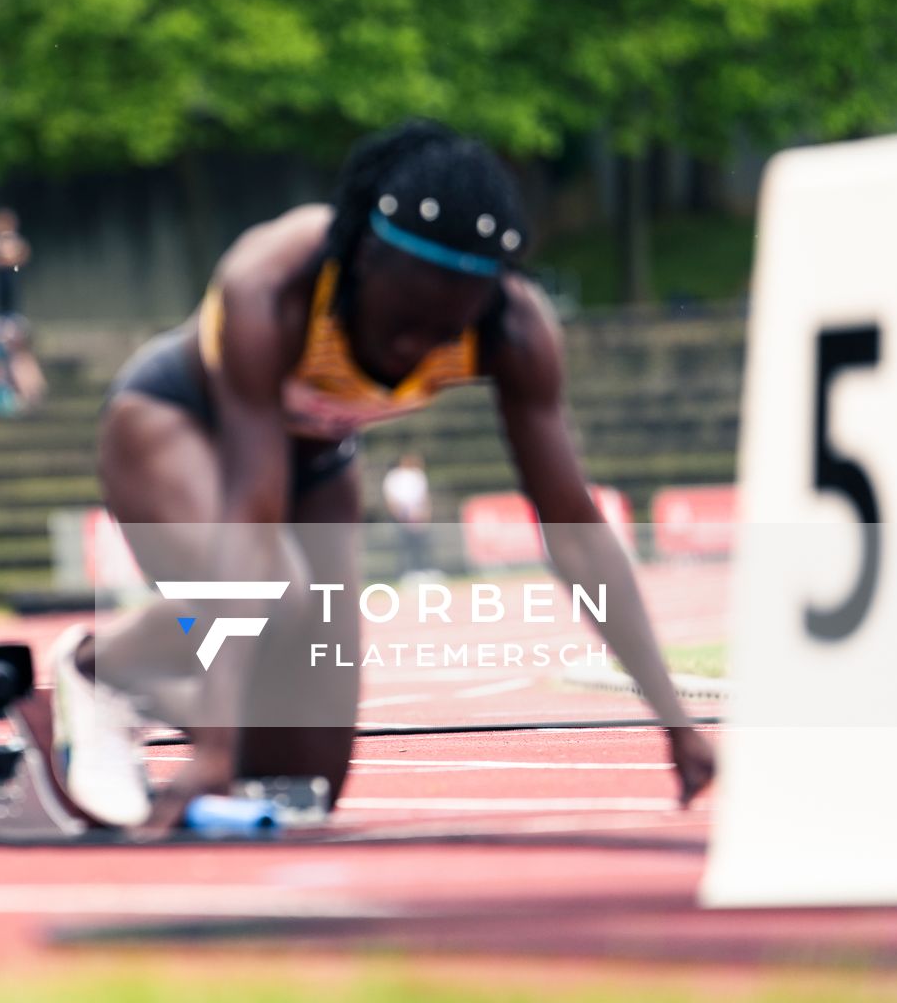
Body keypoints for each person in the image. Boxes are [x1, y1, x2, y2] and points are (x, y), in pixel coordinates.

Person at [52, 118, 717, 829]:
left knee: (305, 783)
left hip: (321, 455)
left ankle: (173, 698)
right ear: (362, 260)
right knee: (278, 588)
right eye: (401, 320)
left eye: (440, 334)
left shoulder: (514, 329)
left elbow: (576, 530)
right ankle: (102, 667)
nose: (410, 351)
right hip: (174, 424)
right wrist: (213, 749)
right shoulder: (273, 284)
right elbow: (249, 515)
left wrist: (674, 722)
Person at [382, 453, 437, 581]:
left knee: (422, 544)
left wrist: (424, 514)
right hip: (401, 516)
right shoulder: (394, 476)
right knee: (403, 545)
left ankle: (424, 570)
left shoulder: (418, 475)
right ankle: (406, 573)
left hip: (418, 515)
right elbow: (391, 498)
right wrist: (401, 515)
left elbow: (424, 497)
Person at [0, 208, 30, 317]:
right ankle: (2, 315)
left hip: (14, 268)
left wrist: (15, 261)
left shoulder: (14, 238)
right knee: (1, 292)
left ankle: (14, 314)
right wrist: (0, 262)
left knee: (14, 289)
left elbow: (23, 251)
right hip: (1, 270)